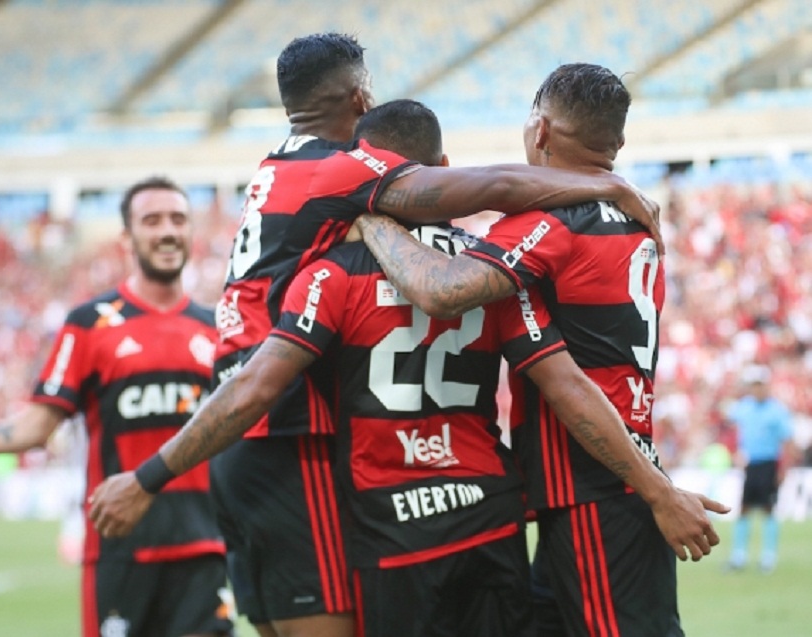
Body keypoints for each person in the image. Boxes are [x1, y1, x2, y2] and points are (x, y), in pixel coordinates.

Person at [97, 34, 665, 637]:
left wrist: (150, 476)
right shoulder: (398, 209)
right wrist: (607, 184)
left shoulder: (291, 193)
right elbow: (494, 209)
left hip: (330, 489)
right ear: (360, 99)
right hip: (327, 443)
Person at [353, 63, 729, 636]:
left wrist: (373, 223)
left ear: (541, 129)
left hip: (593, 489)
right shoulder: (634, 221)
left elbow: (443, 290)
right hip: (603, 483)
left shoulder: (553, 221)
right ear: (616, 140)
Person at [0, 176, 234, 637]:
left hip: (204, 550)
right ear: (126, 238)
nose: (168, 231)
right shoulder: (89, 325)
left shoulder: (217, 329)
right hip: (119, 550)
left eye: (178, 219)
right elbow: (35, 426)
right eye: (152, 220)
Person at [726, 364, 796, 573]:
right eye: (754, 385)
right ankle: (739, 556)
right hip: (750, 464)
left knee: (768, 508)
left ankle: (768, 556)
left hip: (769, 464)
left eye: (760, 385)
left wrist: (784, 469)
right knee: (744, 508)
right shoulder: (744, 407)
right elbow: (729, 423)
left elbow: (787, 441)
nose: (757, 389)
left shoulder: (777, 410)